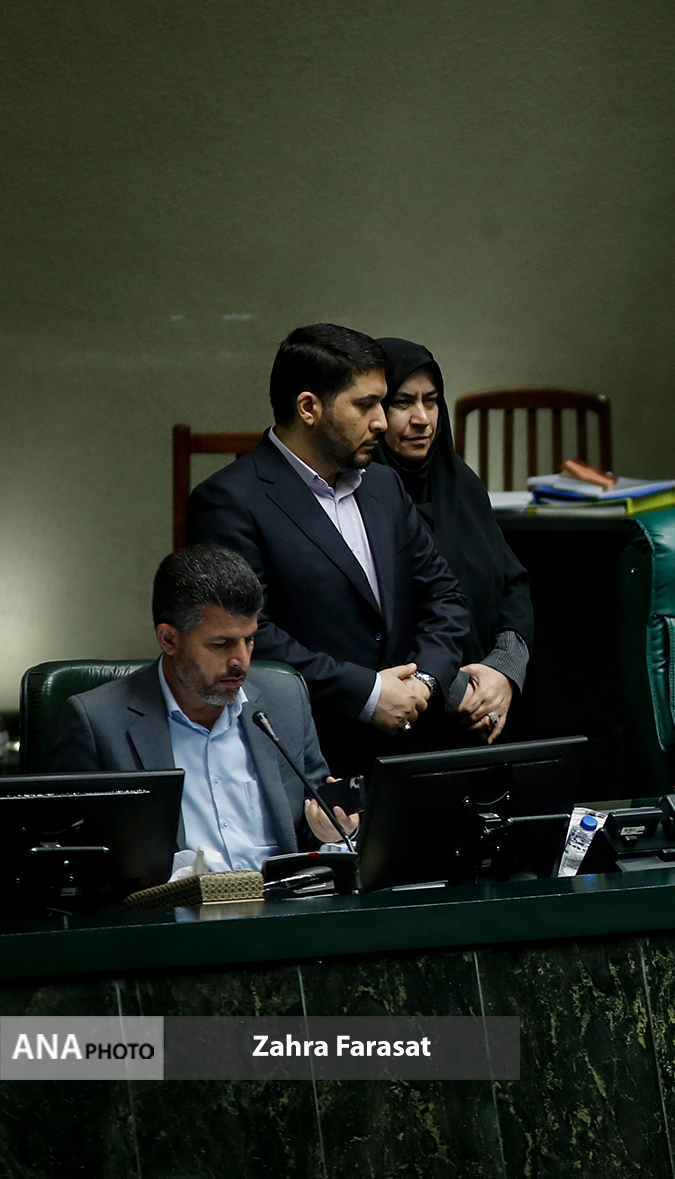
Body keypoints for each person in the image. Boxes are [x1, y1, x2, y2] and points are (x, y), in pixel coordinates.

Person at [185, 323, 473, 777]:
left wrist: (423, 682)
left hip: (410, 749)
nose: (381, 421)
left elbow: (444, 595)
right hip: (305, 757)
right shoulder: (228, 501)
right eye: (365, 405)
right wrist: (367, 694)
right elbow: (249, 636)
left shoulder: (383, 485)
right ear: (309, 408)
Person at [54, 545, 355, 868]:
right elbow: (76, 858)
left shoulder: (285, 699)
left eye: (249, 640)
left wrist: (333, 831)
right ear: (169, 639)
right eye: (221, 644)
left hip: (281, 895)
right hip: (176, 899)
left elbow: (312, 825)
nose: (241, 660)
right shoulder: (98, 722)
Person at [376, 337, 533, 744]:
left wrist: (503, 672)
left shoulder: (460, 482)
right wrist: (461, 694)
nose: (422, 419)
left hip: (494, 709)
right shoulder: (362, 500)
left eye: (431, 401)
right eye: (402, 403)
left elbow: (512, 584)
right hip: (412, 723)